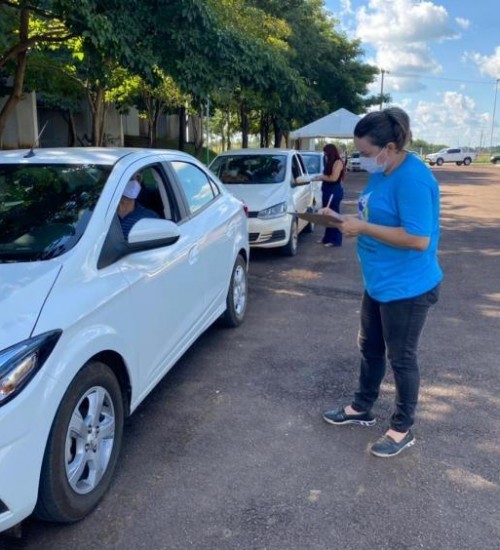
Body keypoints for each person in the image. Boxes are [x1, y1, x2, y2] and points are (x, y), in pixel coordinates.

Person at [322, 107, 443, 458]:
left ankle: (402, 428)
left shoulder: (414, 179)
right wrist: (342, 218)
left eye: (365, 153)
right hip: (378, 281)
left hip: (408, 286)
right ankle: (362, 407)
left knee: (402, 358)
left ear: (389, 147)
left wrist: (363, 228)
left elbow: (418, 238)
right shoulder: (384, 172)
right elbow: (372, 214)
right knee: (369, 347)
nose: (362, 159)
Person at [312, 143, 345, 247]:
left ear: (331, 153)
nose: (325, 155)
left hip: (333, 191)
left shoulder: (338, 162)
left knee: (334, 215)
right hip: (327, 190)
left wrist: (321, 177)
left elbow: (333, 178)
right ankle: (327, 238)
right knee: (327, 215)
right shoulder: (329, 162)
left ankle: (336, 240)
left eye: (326, 153)